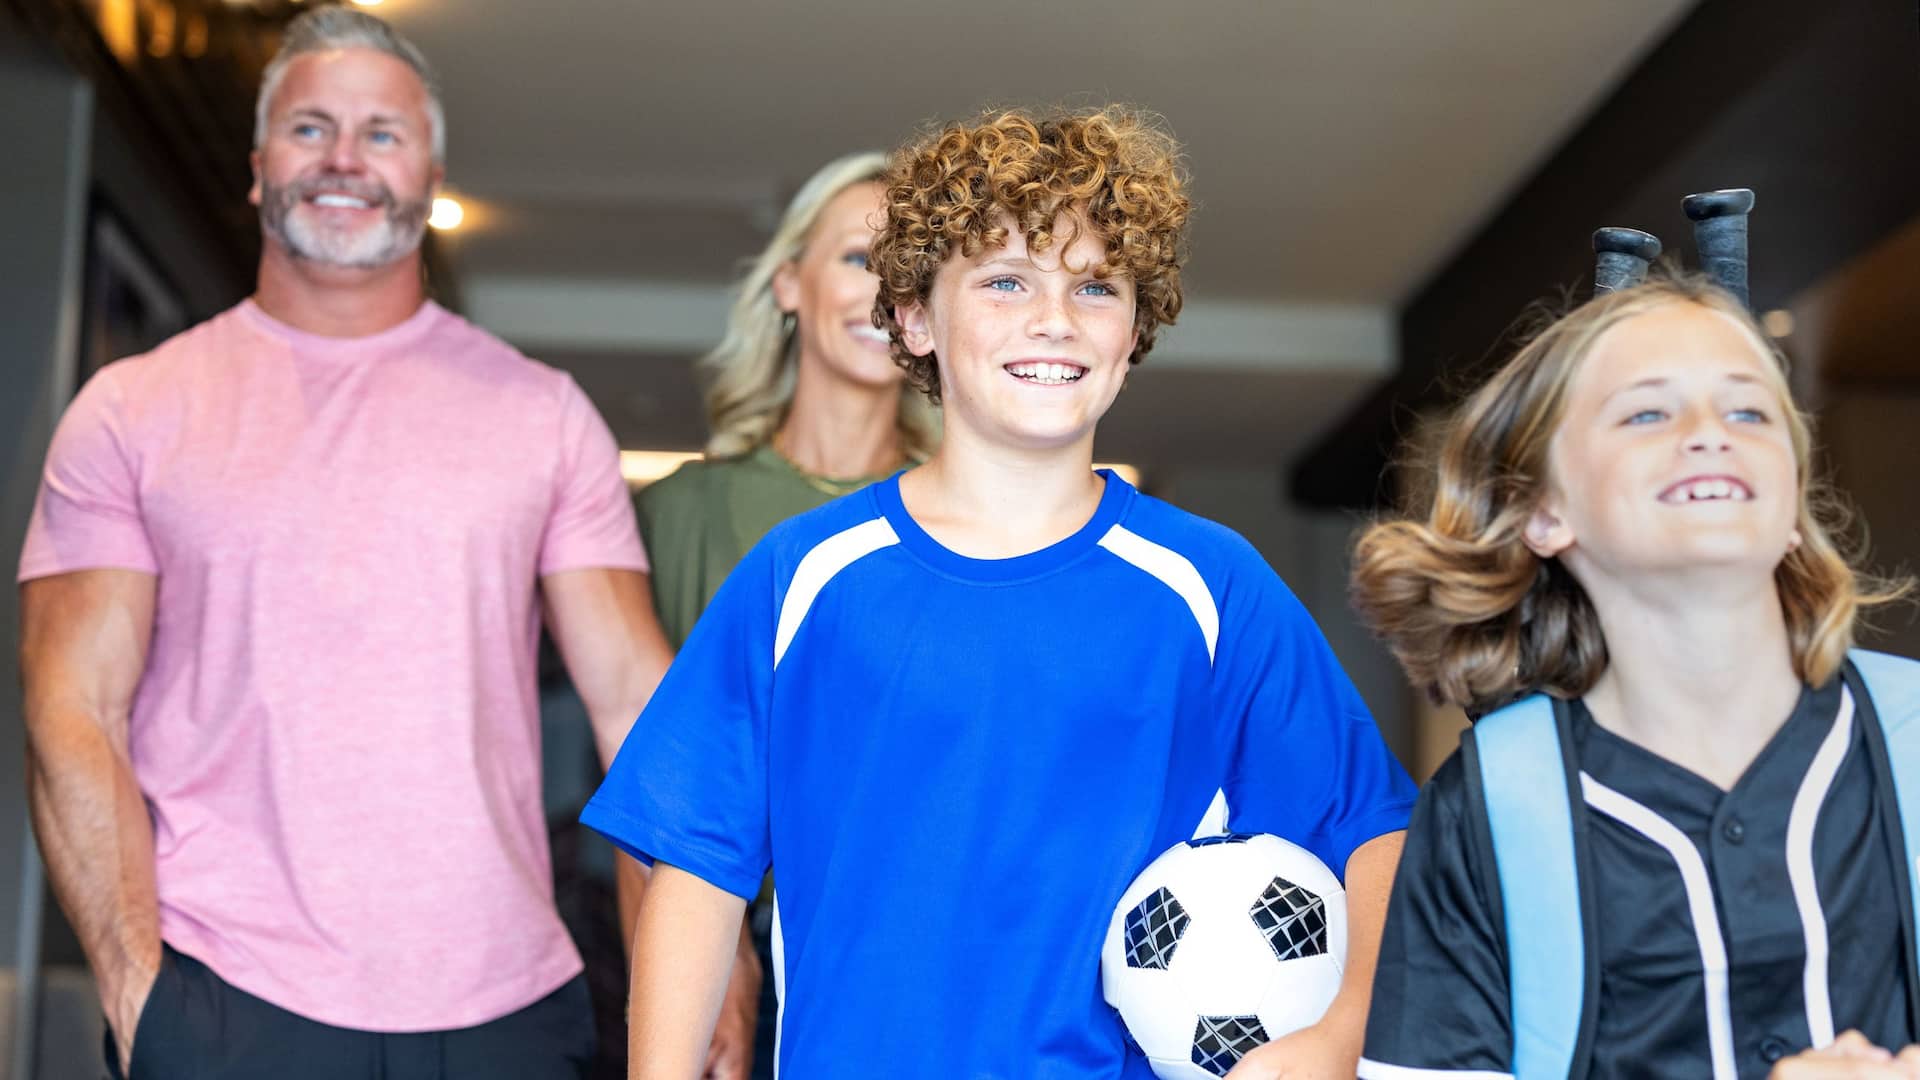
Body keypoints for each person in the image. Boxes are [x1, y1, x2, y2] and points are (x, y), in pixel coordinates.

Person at [584, 106, 1414, 1079]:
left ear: (1134, 331)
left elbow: (1373, 831)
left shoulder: (1211, 584)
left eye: (1096, 286)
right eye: (1005, 280)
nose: (1054, 319)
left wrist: (1341, 1037)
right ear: (914, 318)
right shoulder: (803, 574)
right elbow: (693, 867)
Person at [17, 9, 672, 1078]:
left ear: (431, 175)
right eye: (310, 127)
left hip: (508, 1008)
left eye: (382, 133)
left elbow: (635, 707)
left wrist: (693, 965)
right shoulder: (130, 410)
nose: (344, 159)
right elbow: (72, 709)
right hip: (226, 993)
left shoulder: (545, 416)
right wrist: (139, 990)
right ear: (257, 168)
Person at [1350, 274, 1920, 1079]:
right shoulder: (1485, 810)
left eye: (1749, 412)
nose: (1710, 433)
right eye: (1648, 413)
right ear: (1544, 511)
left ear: (1794, 504)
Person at [631, 150, 939, 1079]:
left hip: (925, 959)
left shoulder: (978, 520)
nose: (886, 288)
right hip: (735, 949)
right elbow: (648, 778)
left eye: (913, 265)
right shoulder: (682, 512)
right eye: (858, 258)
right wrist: (708, 976)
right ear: (788, 284)